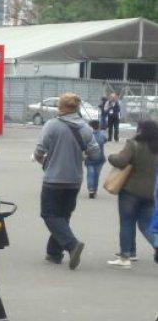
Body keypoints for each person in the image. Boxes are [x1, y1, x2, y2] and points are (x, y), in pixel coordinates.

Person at [34, 93, 100, 269]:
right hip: (74, 180)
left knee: (49, 214)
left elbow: (38, 151)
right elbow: (95, 152)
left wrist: (45, 162)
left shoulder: (52, 125)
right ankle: (54, 253)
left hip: (53, 179)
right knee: (63, 216)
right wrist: (81, 157)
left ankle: (72, 245)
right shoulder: (85, 128)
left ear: (61, 107)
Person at [105, 119, 158, 267]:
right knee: (146, 224)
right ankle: (138, 250)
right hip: (151, 192)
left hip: (131, 191)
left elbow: (121, 161)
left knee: (127, 222)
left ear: (140, 130)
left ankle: (125, 256)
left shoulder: (134, 144)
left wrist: (111, 157)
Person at [85, 120, 108, 198]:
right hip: (100, 158)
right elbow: (105, 140)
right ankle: (94, 190)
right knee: (96, 175)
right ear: (98, 126)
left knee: (90, 174)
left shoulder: (87, 134)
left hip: (89, 158)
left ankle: (91, 189)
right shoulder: (102, 134)